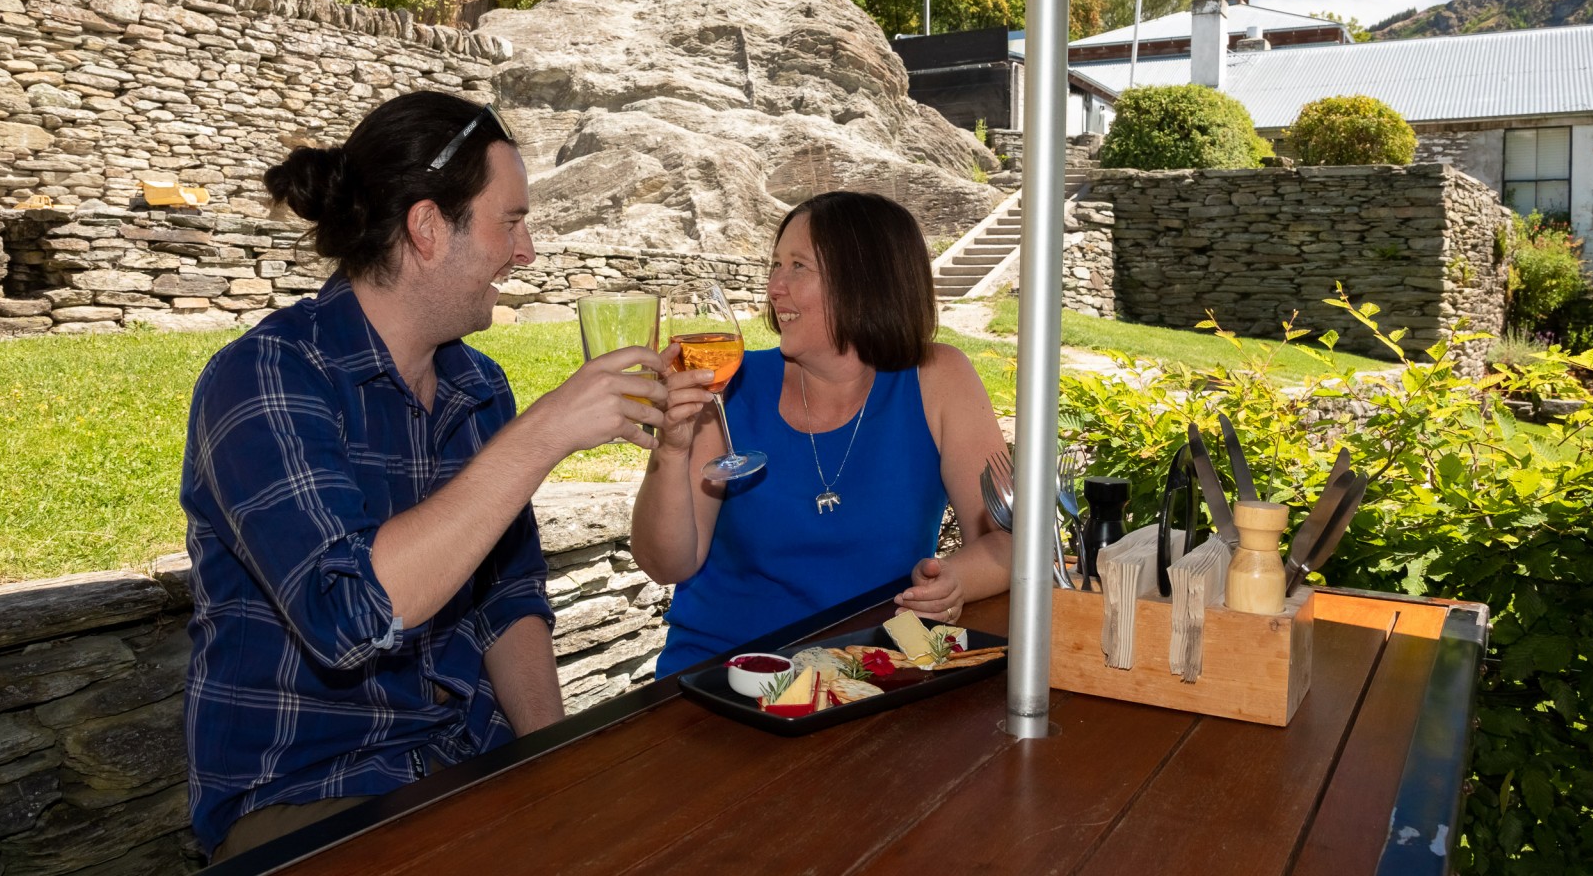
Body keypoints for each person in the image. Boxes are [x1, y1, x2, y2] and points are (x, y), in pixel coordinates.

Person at [181, 91, 669, 862]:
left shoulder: (478, 387)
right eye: (509, 221)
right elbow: (348, 617)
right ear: (428, 227)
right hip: (311, 795)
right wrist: (539, 436)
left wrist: (557, 763)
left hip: (469, 763)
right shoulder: (265, 377)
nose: (527, 251)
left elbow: (509, 599)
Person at [633, 190, 1012, 676]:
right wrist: (670, 449)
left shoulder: (938, 377)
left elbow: (1007, 542)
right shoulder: (728, 385)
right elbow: (667, 565)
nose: (774, 286)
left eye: (797, 267)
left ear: (866, 281)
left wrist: (953, 580)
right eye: (775, 265)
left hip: (868, 673)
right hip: (723, 677)